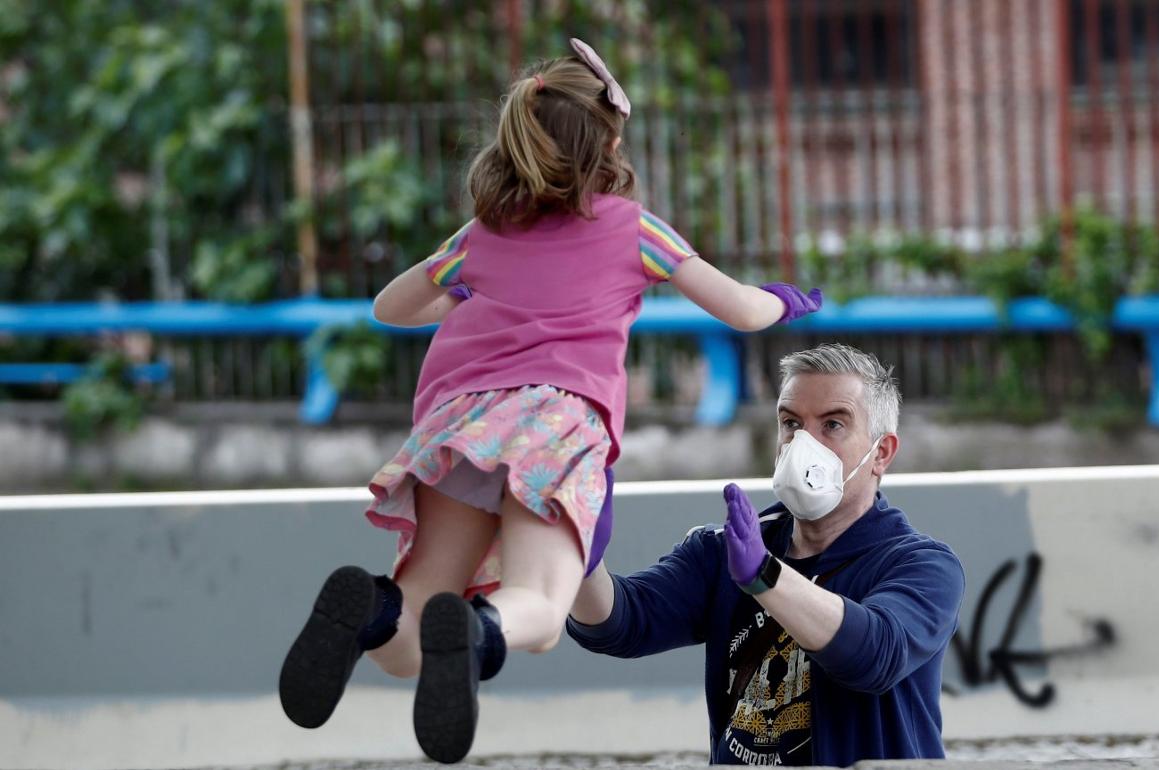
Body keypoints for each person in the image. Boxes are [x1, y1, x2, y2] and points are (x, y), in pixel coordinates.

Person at [277, 39, 823, 764]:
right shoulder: (635, 229)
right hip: (554, 425)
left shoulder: (481, 236)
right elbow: (743, 310)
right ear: (608, 145)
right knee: (536, 607)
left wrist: (468, 290)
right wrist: (786, 301)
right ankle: (477, 634)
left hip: (463, 423)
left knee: (406, 640)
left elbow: (388, 307)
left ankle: (373, 610)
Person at [567, 343, 965, 767]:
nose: (803, 443)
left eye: (832, 424)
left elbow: (874, 656)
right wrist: (579, 558)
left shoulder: (923, 566)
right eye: (791, 423)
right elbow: (621, 623)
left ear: (881, 453)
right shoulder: (726, 549)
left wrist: (764, 576)